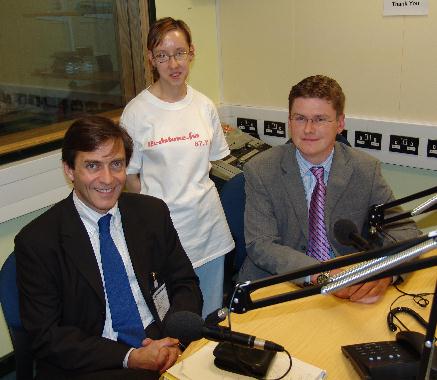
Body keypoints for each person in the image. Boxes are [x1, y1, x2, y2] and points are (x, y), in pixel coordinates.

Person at [15, 116, 203, 380]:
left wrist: (174, 339)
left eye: (116, 164)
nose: (108, 179)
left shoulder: (151, 213)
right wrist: (131, 358)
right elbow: (48, 336)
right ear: (69, 170)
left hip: (160, 341)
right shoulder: (38, 241)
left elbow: (184, 283)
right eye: (93, 165)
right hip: (92, 361)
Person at [238, 75, 420, 303]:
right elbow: (261, 245)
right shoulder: (261, 170)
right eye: (300, 118)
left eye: (320, 119)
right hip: (279, 286)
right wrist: (322, 275)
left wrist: (386, 273)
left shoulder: (365, 169)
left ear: (340, 123)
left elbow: (405, 232)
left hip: (347, 289)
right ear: (289, 121)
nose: (308, 129)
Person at [120, 17, 234, 317]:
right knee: (173, 322)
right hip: (165, 234)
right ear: (151, 59)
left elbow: (211, 164)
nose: (173, 64)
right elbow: (131, 178)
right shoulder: (136, 113)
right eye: (162, 55)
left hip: (207, 228)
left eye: (179, 53)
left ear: (192, 53)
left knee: (209, 318)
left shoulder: (204, 106)